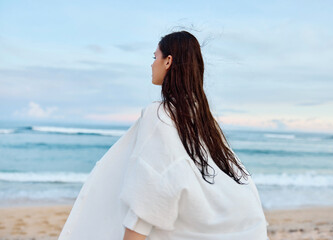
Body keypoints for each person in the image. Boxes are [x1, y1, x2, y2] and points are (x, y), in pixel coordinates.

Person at [59, 31, 269, 240]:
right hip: (247, 227)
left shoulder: (160, 113)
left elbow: (153, 184)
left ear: (168, 61)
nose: (152, 64)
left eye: (155, 57)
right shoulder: (205, 120)